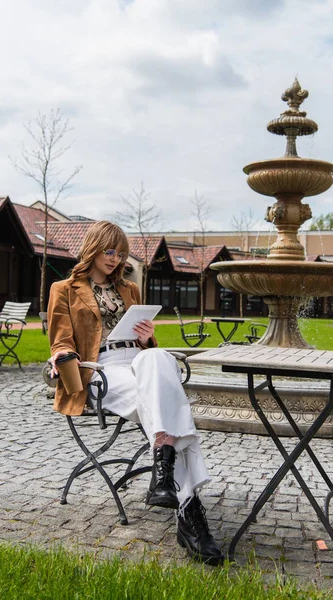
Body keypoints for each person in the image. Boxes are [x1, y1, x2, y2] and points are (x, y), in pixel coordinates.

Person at [47, 220, 224, 566]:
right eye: (109, 251)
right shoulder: (64, 288)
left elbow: (148, 347)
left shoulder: (130, 288)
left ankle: (165, 475)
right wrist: (59, 356)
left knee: (157, 357)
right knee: (171, 407)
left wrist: (146, 338)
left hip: (141, 361)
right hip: (102, 370)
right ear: (94, 248)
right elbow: (61, 340)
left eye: (120, 253)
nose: (115, 259)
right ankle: (192, 516)